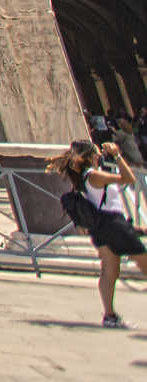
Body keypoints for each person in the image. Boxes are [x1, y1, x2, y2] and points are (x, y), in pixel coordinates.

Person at [51, 138, 147, 327]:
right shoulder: (94, 175)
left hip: (102, 226)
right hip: (113, 223)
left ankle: (109, 316)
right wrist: (117, 155)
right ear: (90, 156)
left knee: (109, 271)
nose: (100, 155)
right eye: (97, 152)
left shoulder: (84, 177)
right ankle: (109, 315)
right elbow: (129, 179)